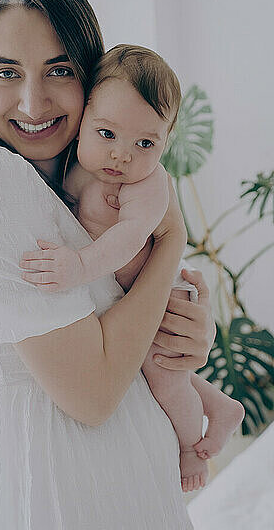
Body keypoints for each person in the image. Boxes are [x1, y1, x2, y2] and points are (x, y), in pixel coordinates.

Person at [0, 0, 216, 528]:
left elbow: (121, 330)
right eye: (6, 72)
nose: (32, 100)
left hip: (118, 488)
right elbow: (93, 393)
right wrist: (169, 241)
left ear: (94, 81)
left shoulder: (76, 187)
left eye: (60, 70)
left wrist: (185, 334)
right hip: (55, 493)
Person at [20, 44, 245, 492]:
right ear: (84, 116)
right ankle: (220, 404)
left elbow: (128, 240)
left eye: (145, 143)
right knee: (144, 367)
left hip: (161, 293)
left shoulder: (149, 183)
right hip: (125, 296)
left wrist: (79, 265)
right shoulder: (72, 165)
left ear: (166, 141)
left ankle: (189, 445)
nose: (122, 155)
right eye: (107, 134)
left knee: (162, 378)